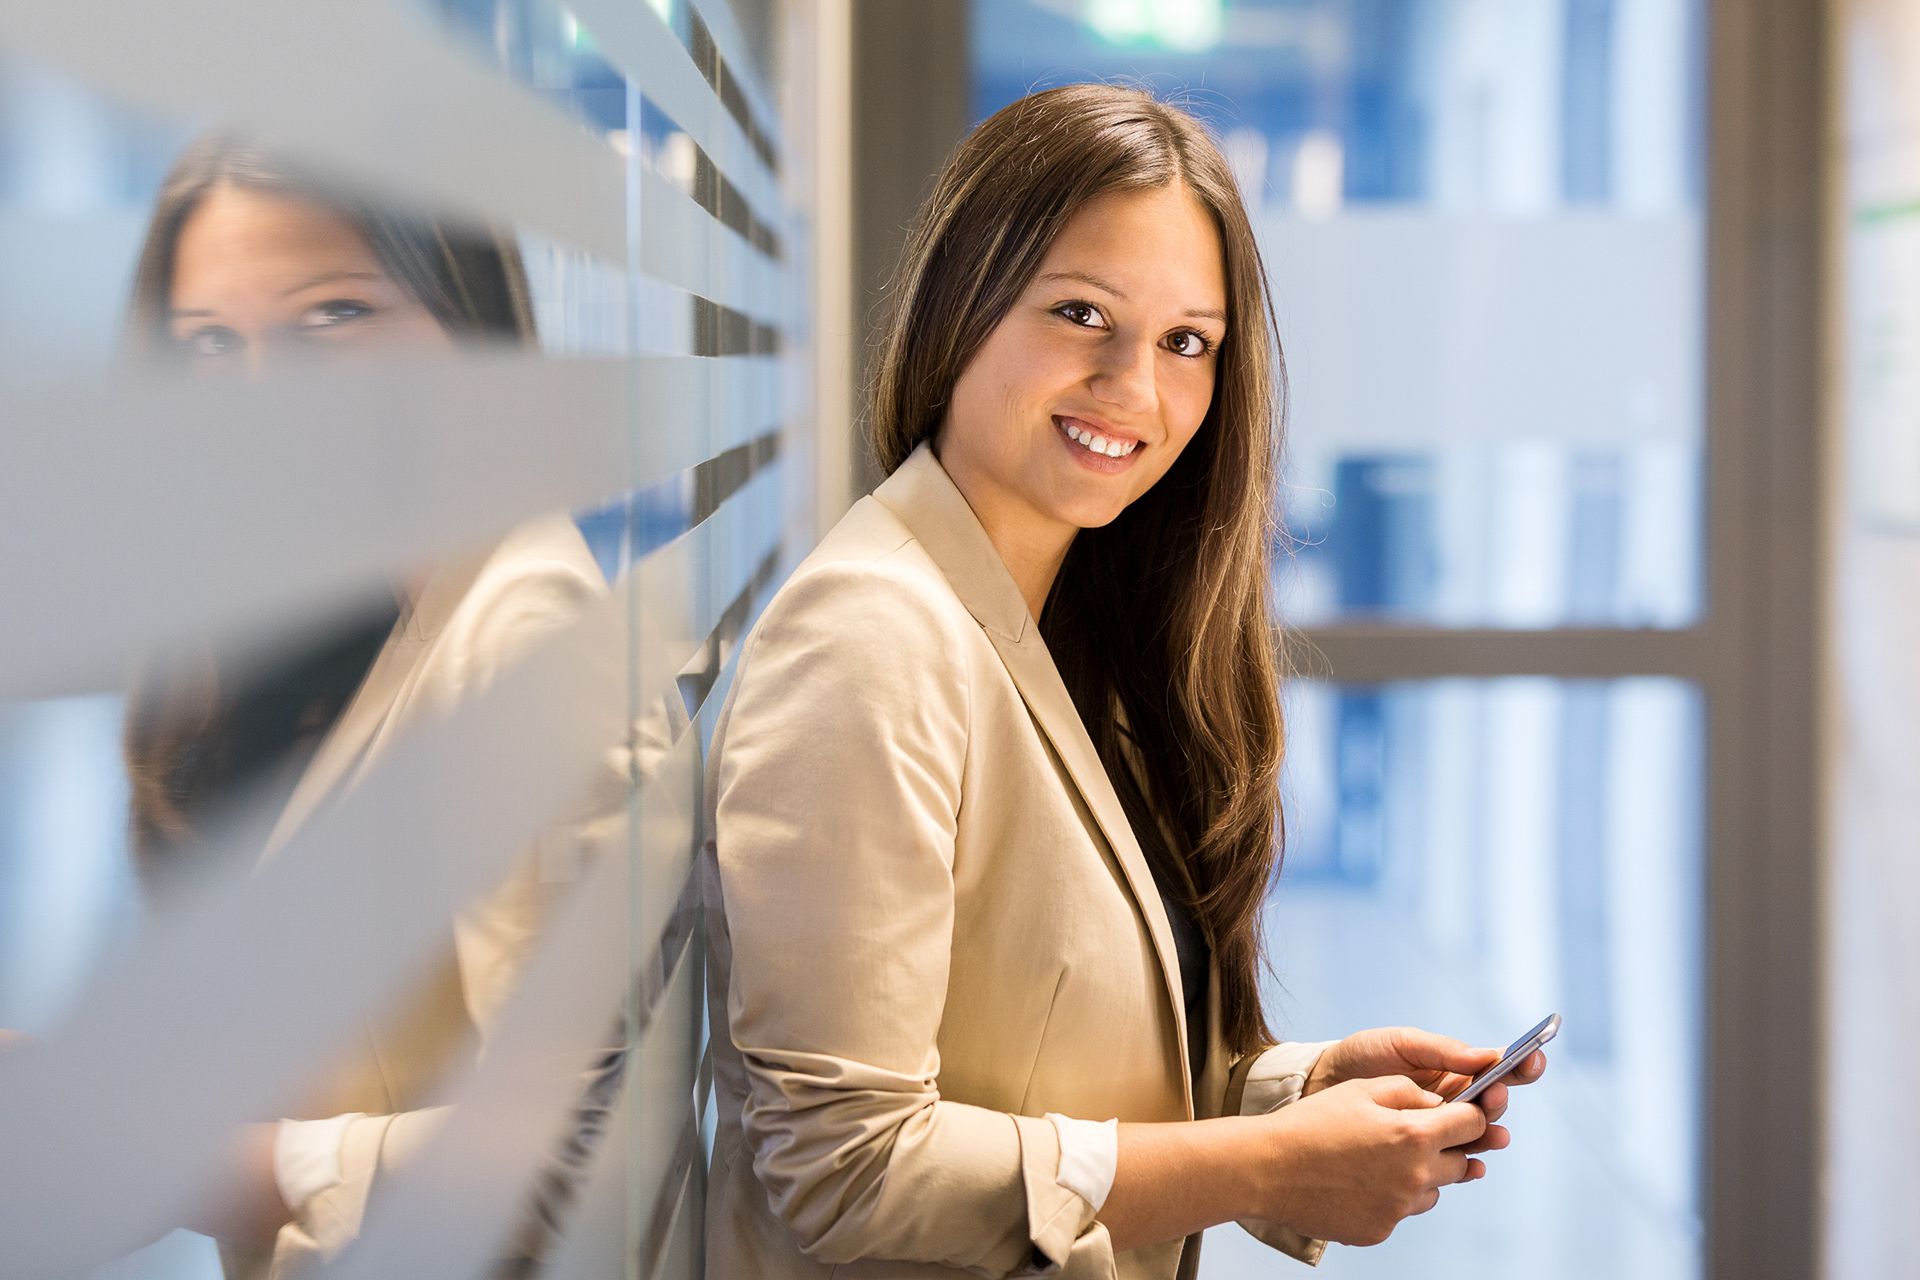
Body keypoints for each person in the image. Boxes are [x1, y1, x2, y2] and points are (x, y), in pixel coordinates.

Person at [699, 83, 1546, 1278]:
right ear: (961, 302)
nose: (1135, 389)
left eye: (1185, 341)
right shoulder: (870, 640)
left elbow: (1030, 1062)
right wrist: (1272, 1164)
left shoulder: (1052, 628)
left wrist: (1292, 1091)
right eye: (1081, 312)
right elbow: (846, 1168)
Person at [116, 135, 638, 1279]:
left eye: (330, 318)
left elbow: (584, 1157)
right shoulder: (390, 617)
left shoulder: (522, 624)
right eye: (212, 342)